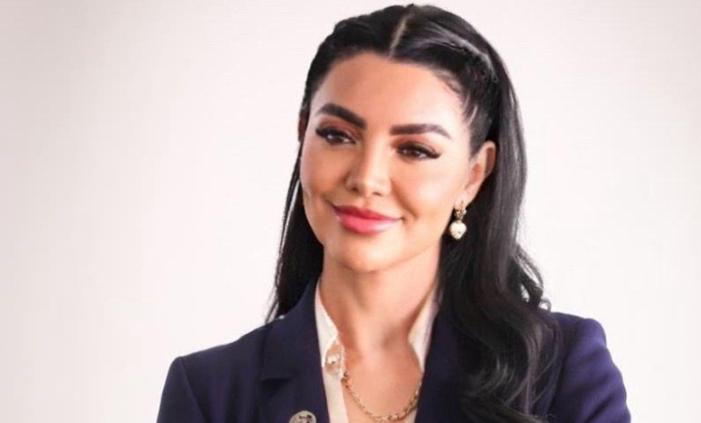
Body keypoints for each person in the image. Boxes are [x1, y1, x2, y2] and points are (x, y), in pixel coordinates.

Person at [156, 4, 629, 422]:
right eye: (338, 135)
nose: (368, 178)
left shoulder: (560, 372)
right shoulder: (210, 393)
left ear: (473, 175)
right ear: (303, 137)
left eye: (415, 149)